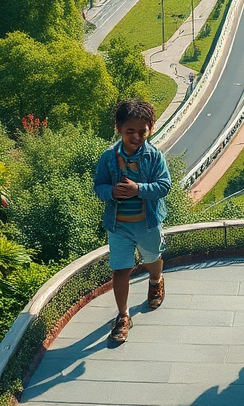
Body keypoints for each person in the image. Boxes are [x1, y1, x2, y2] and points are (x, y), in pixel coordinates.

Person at [93, 99, 172, 344]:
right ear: (118, 129)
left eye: (142, 131)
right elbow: (99, 186)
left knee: (152, 259)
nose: (136, 136)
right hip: (119, 226)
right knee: (120, 269)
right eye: (130, 131)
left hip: (147, 223)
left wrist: (138, 188)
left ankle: (156, 281)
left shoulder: (154, 156)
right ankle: (123, 315)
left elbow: (164, 186)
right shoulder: (108, 158)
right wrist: (111, 192)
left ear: (151, 128)